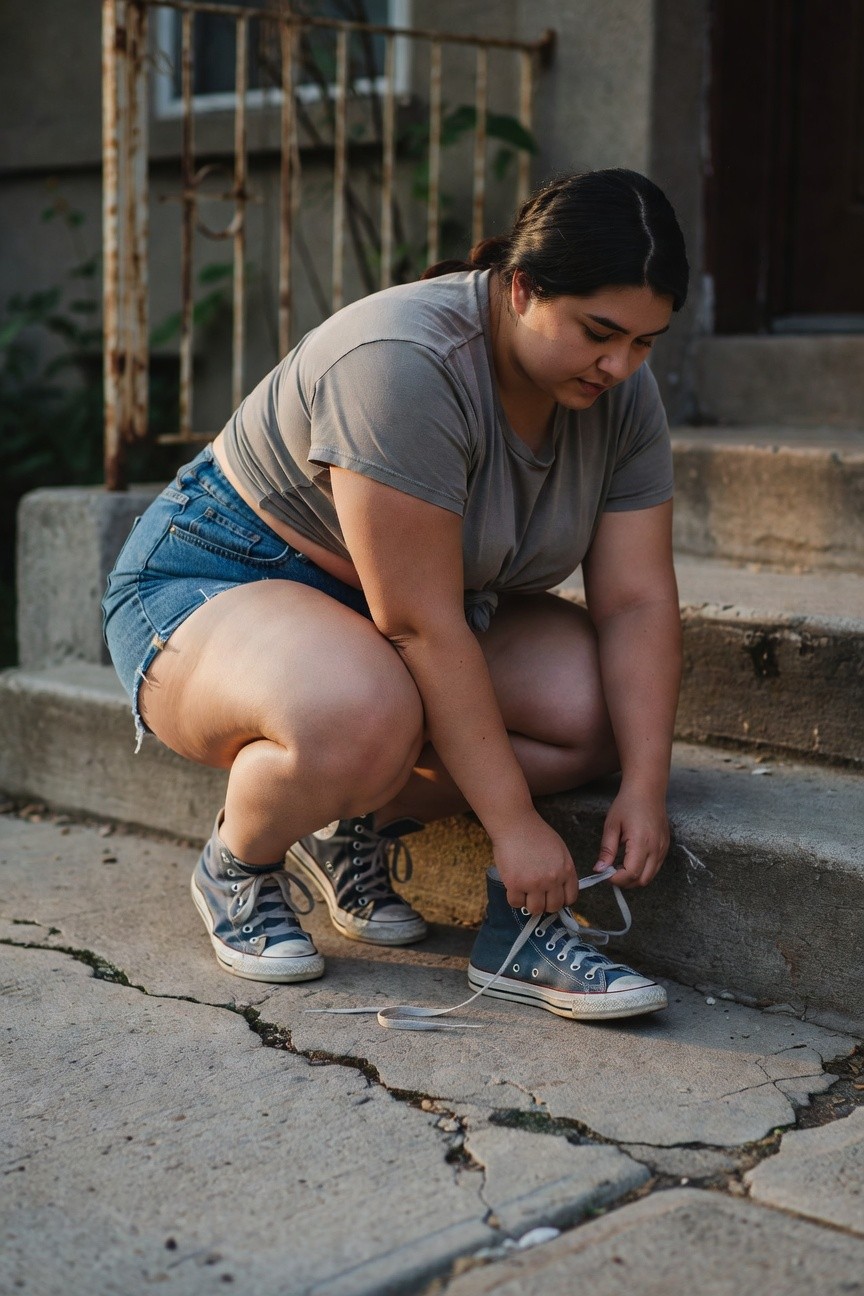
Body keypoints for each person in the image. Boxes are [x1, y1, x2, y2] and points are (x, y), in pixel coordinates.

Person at [102, 167, 688, 1022]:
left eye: (646, 342)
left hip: (423, 615)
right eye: (600, 331)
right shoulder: (403, 362)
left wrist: (646, 785)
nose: (620, 365)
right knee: (359, 714)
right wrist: (516, 828)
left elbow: (636, 602)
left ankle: (350, 821)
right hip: (220, 579)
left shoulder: (621, 389)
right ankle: (240, 859)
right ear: (521, 287)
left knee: (594, 709)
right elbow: (415, 624)